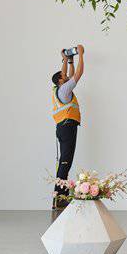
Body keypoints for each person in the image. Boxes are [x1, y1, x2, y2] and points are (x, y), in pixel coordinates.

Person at [51, 44, 84, 210]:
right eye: (63, 76)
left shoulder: (58, 89)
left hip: (62, 128)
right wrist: (81, 54)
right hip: (68, 127)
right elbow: (78, 74)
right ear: (60, 80)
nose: (66, 76)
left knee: (64, 163)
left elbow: (67, 74)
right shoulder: (65, 89)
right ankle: (59, 198)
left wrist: (67, 60)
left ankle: (60, 197)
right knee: (65, 163)